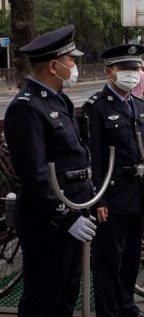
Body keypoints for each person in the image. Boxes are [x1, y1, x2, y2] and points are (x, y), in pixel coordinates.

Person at [4, 25, 96, 317]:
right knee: (42, 301)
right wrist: (66, 216)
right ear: (54, 66)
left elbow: (75, 157)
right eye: (71, 61)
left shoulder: (59, 100)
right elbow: (35, 174)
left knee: (66, 299)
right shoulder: (26, 107)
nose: (75, 66)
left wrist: (86, 203)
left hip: (74, 213)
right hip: (48, 222)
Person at [85, 44, 144, 317]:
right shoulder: (96, 107)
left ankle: (127, 306)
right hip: (112, 196)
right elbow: (93, 158)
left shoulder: (140, 106)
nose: (132, 75)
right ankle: (109, 313)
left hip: (138, 193)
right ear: (110, 71)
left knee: (132, 257)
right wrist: (99, 198)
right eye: (125, 69)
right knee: (109, 260)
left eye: (135, 69)